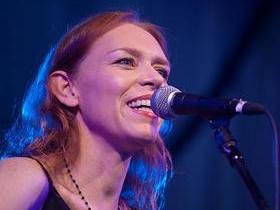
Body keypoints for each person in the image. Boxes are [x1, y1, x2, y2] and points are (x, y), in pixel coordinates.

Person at [0, 11, 173, 210]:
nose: (157, 79)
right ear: (67, 89)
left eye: (161, 71)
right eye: (125, 62)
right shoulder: (24, 177)